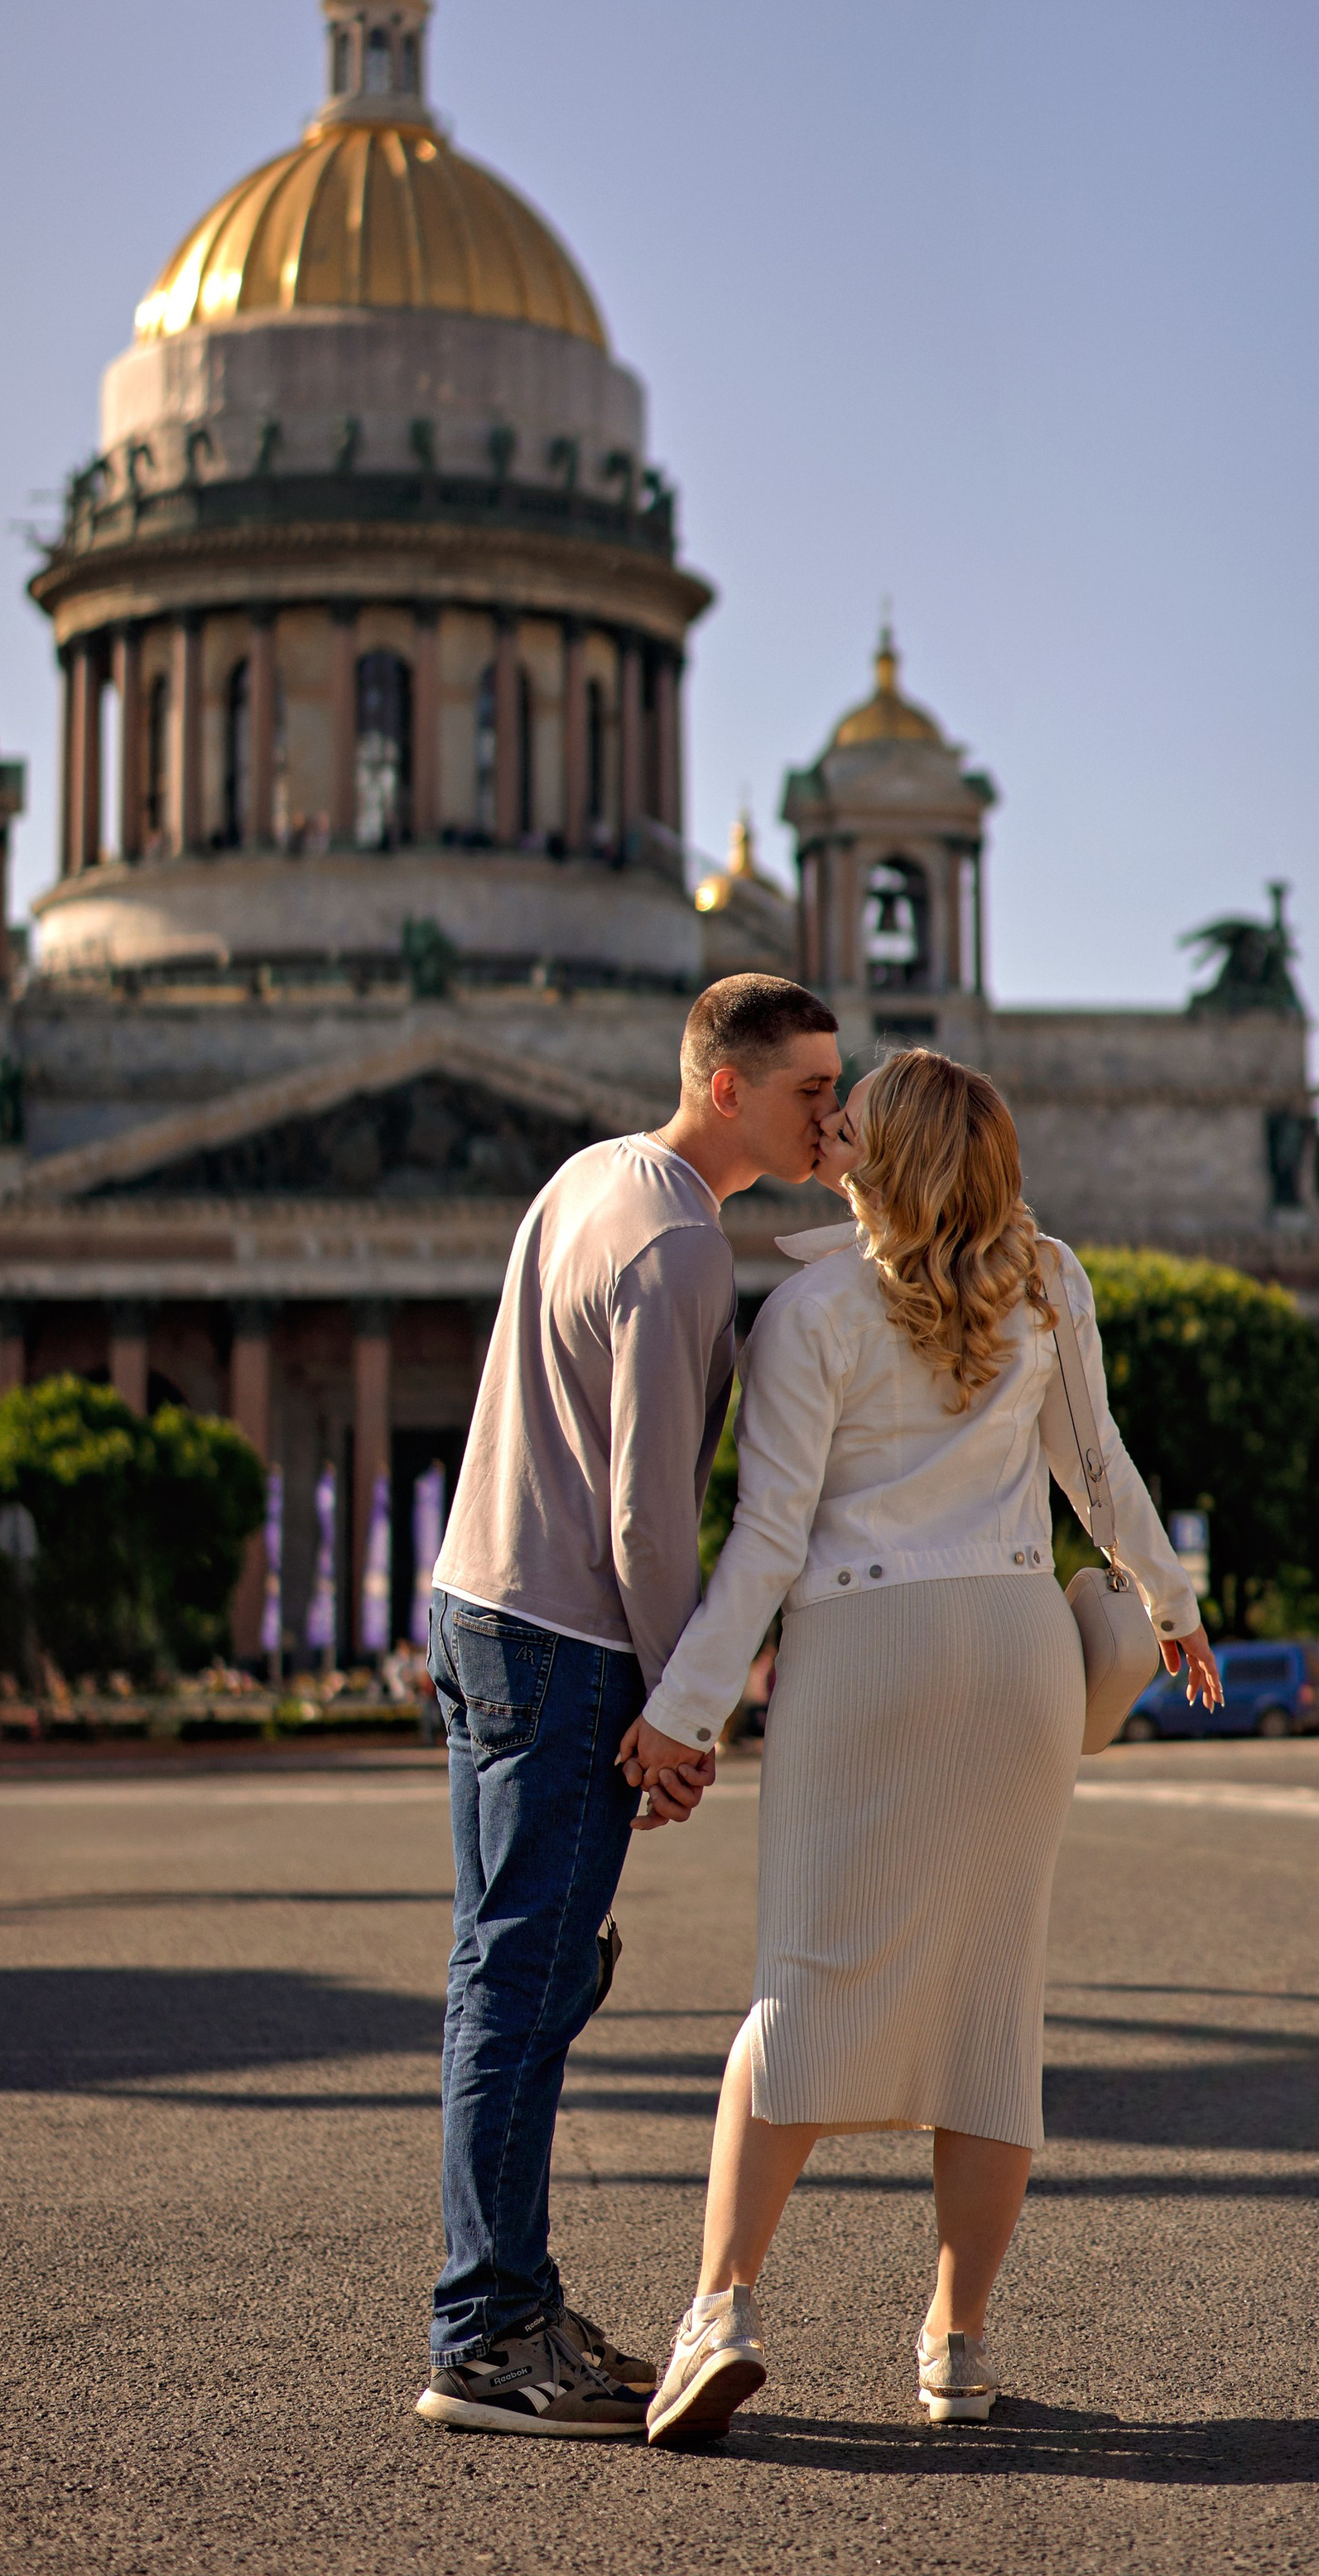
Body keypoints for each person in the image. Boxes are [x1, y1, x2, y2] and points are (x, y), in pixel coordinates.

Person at [620, 1048, 1222, 2445]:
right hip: (1017, 1648)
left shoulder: (813, 1305)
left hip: (862, 1653)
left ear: (872, 1159)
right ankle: (956, 2344)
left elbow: (766, 1541)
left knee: (805, 1987)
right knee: (990, 2015)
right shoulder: (1050, 1281)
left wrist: (683, 1708)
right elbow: (1101, 1469)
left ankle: (722, 2307)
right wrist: (1172, 1605)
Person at [414, 973, 840, 2439]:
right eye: (810, 1093)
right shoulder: (680, 1249)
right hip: (565, 1642)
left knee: (502, 1976)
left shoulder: (593, 1176)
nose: (833, 1116)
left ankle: (505, 2297)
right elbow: (652, 1523)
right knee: (525, 1989)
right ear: (729, 1086)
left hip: (477, 1602)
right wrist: (681, 1707)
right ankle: (486, 2333)